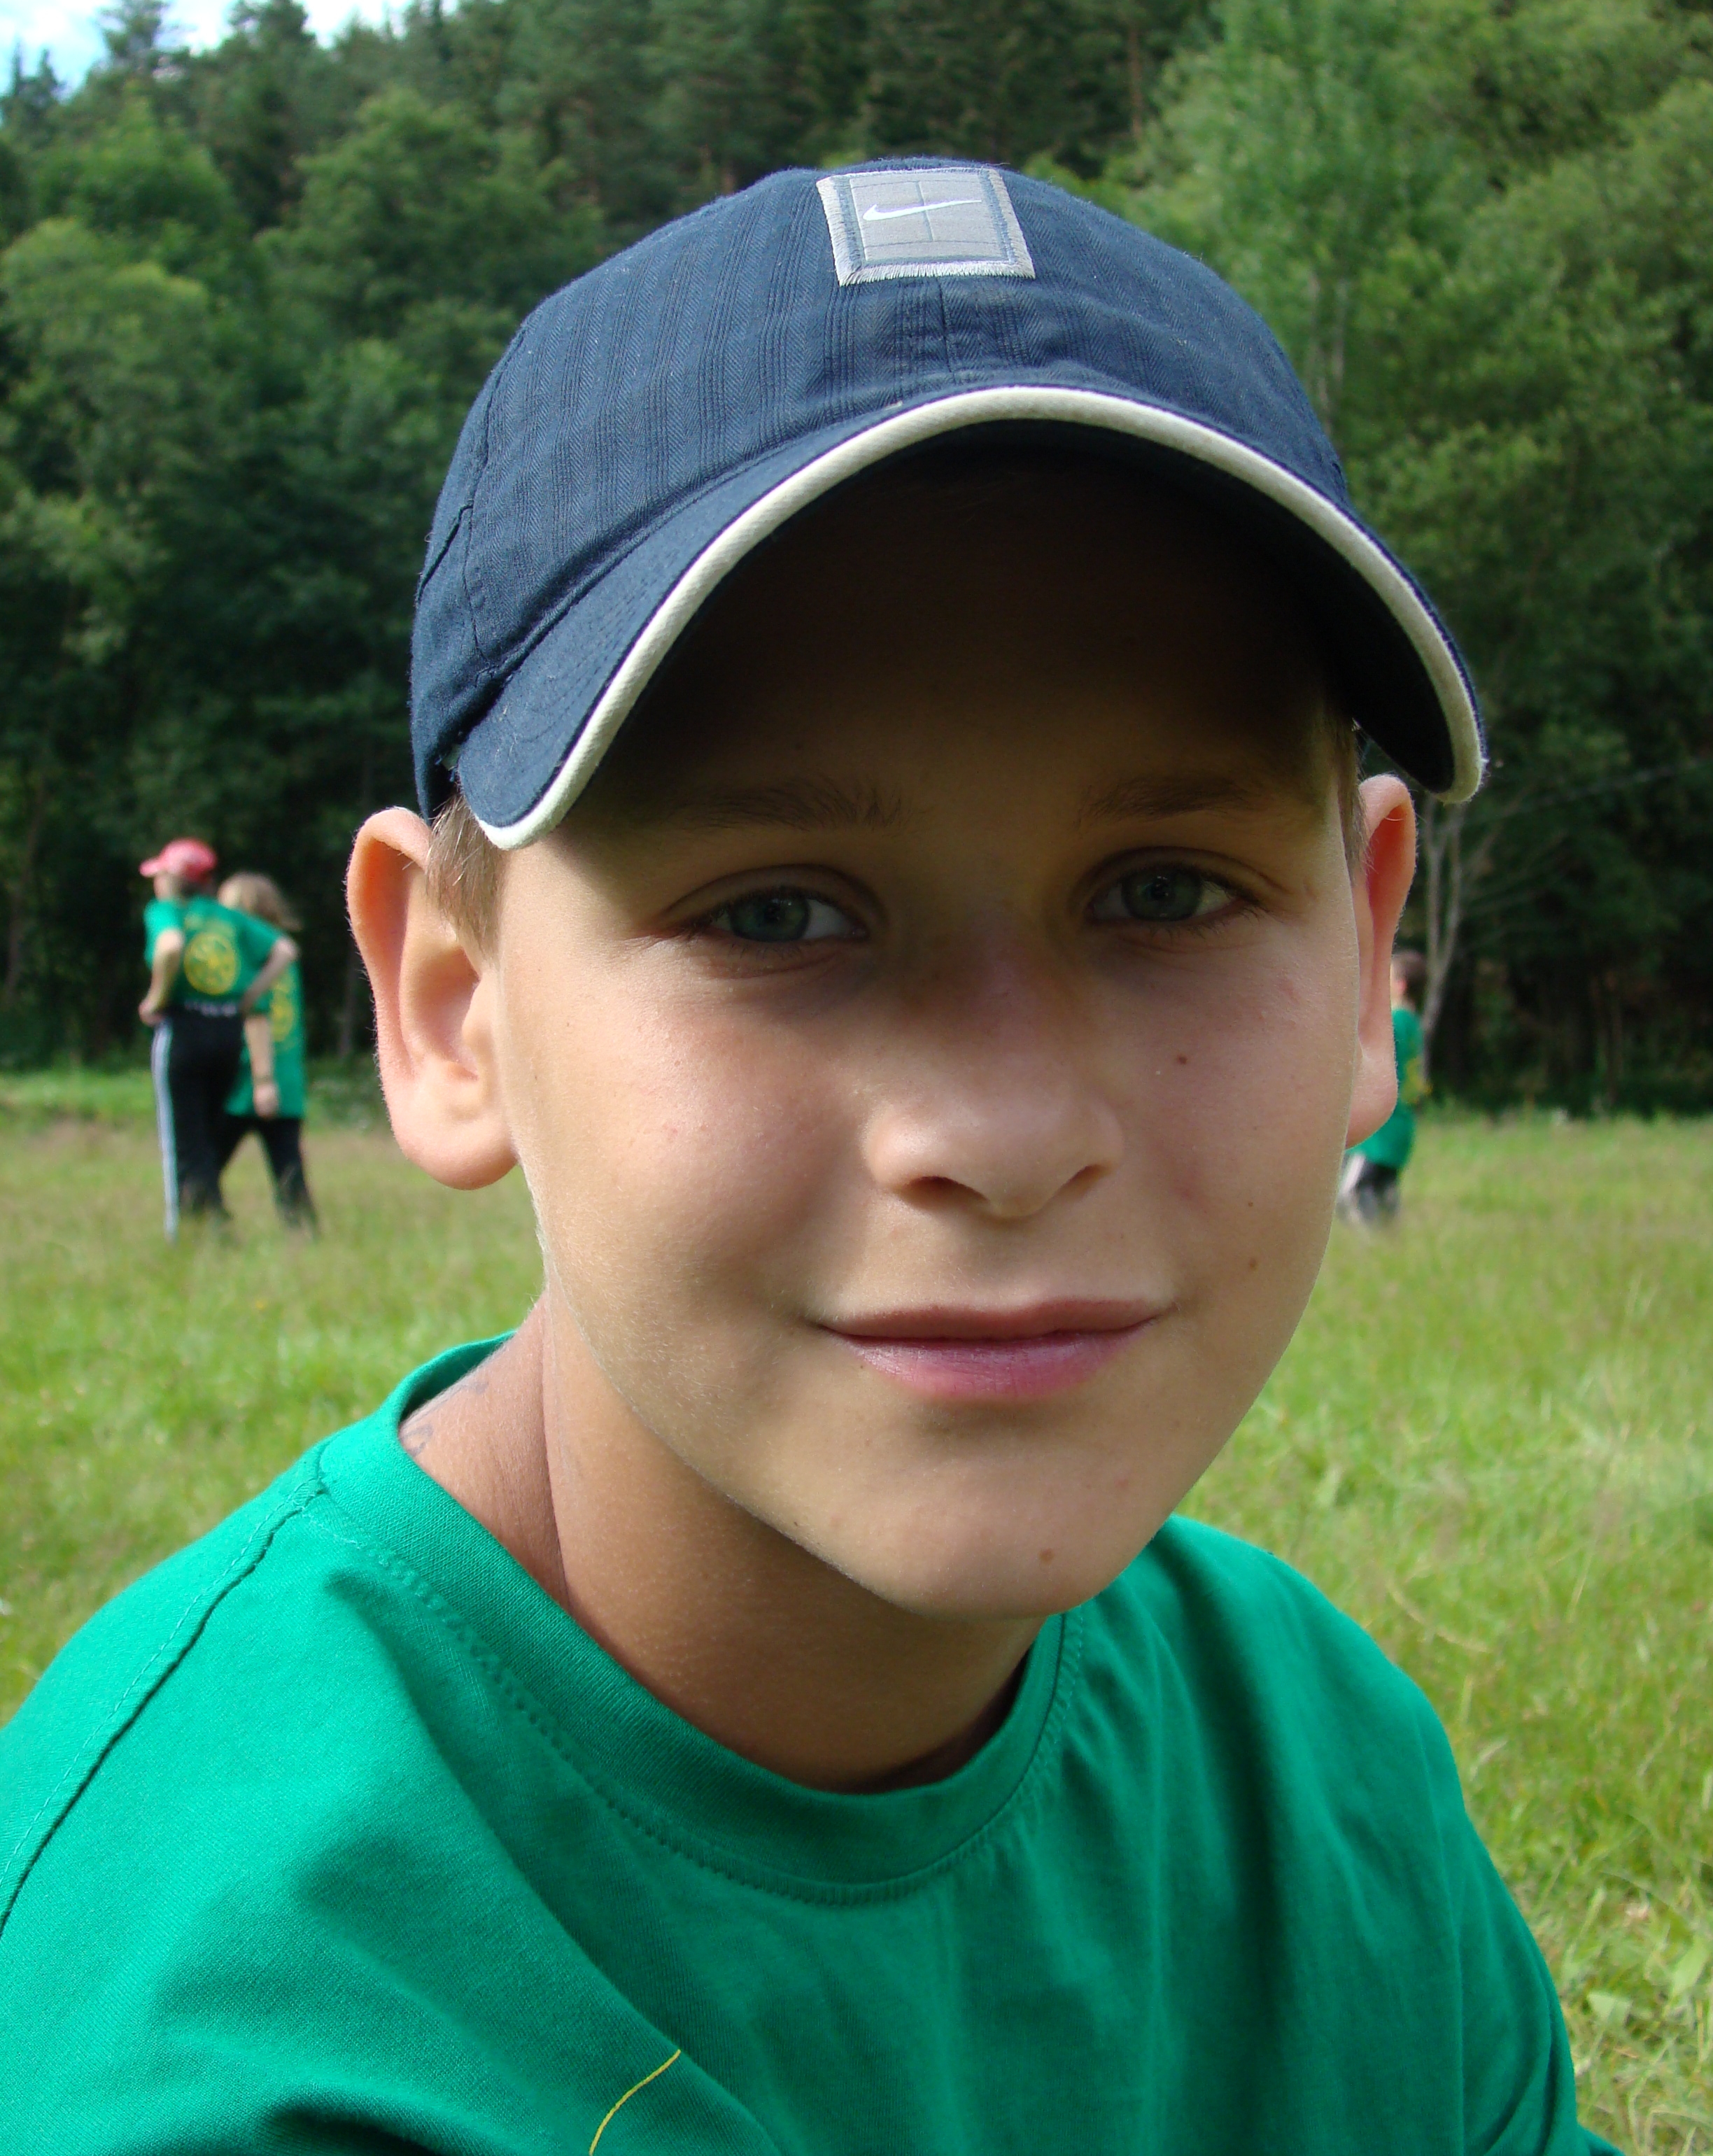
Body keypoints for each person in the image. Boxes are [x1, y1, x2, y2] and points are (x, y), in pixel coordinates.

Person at [2, 168, 1614, 2154]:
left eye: (1165, 890)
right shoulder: (237, 2039)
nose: (1005, 1132)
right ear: (449, 1005)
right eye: (775, 915)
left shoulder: (1320, 1782)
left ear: (1367, 958)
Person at [136, 838, 298, 1236]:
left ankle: (188, 1231)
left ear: (172, 880)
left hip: (185, 1029)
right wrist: (248, 997)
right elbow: (284, 950)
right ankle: (215, 1222)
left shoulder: (166, 910)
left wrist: (156, 999)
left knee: (184, 1139)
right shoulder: (226, 916)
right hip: (228, 1032)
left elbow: (170, 946)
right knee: (207, 1136)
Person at [216, 872, 318, 1230]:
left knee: (206, 1163)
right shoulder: (282, 949)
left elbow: (255, 1016)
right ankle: (304, 1238)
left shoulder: (248, 953)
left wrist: (261, 1078)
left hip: (248, 1077)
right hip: (287, 1079)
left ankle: (205, 1225)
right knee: (289, 1171)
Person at [1339, 947, 1430, 1224]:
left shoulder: (1394, 1021)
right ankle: (1393, 1244)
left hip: (1378, 1131)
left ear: (1401, 985)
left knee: (1350, 1194)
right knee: (1383, 1192)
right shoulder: (1414, 1025)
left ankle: (1372, 1247)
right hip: (1402, 1126)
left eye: (1387, 977)